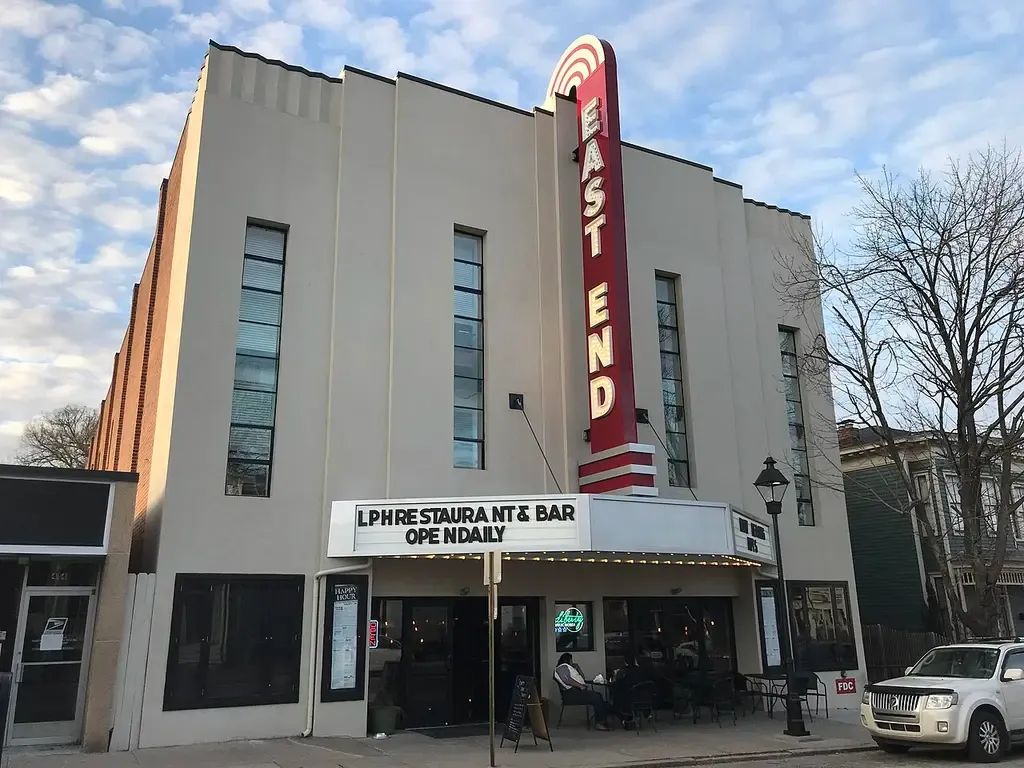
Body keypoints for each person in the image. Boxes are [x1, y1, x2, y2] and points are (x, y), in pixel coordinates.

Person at [553, 653, 611, 730]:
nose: (572, 662)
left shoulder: (569, 668)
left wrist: (578, 668)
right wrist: (580, 686)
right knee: (597, 697)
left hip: (577, 692)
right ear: (568, 660)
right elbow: (567, 680)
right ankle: (600, 722)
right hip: (571, 694)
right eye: (571, 660)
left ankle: (602, 720)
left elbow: (582, 678)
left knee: (597, 696)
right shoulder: (562, 667)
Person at [609, 653, 648, 727]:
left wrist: (615, 675)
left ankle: (624, 720)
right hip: (643, 699)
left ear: (625, 662)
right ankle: (641, 715)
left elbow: (616, 683)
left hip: (627, 700)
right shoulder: (642, 672)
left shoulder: (623, 672)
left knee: (615, 701)